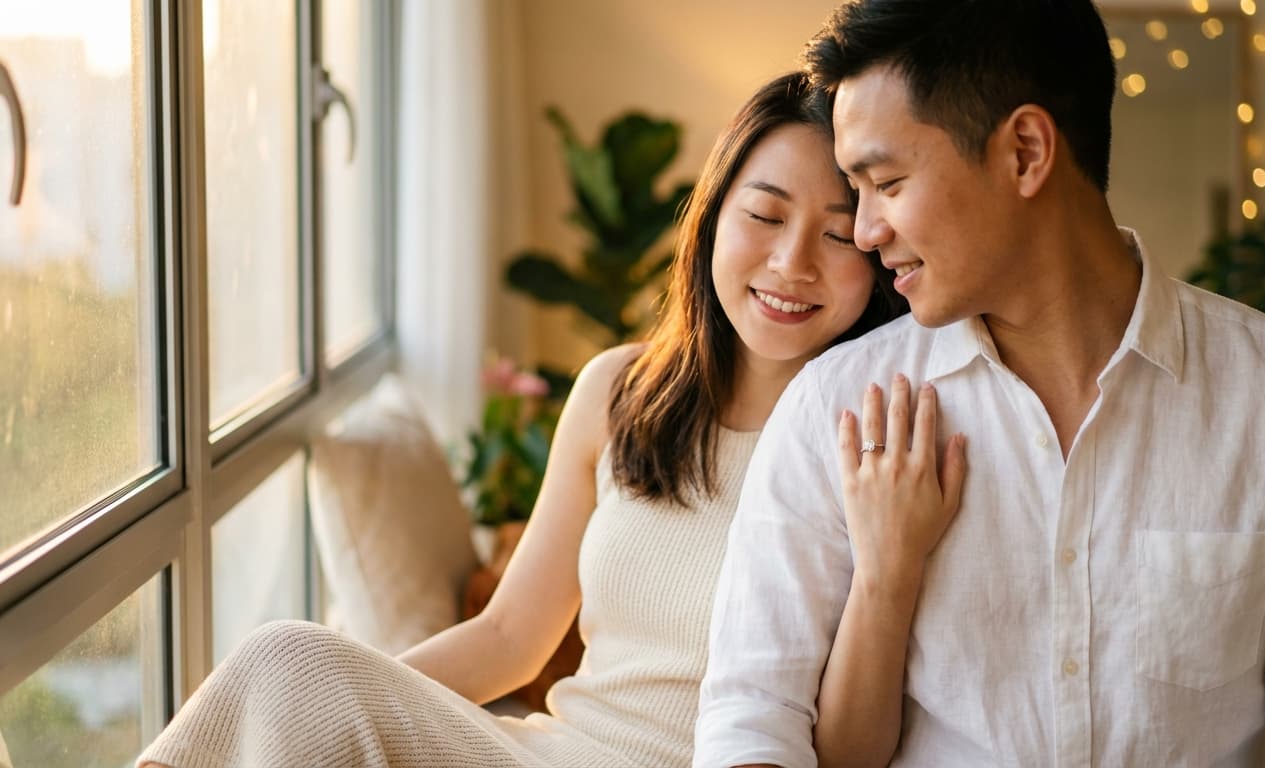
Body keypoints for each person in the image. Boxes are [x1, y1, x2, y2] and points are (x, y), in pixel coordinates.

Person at [693, 2, 1265, 767]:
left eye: (887, 182)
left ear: (1026, 152)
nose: (866, 231)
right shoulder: (832, 407)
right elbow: (754, 718)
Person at [136, 71, 912, 768]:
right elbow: (509, 638)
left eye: (837, 234)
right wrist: (345, 709)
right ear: (712, 220)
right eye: (765, 215)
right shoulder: (620, 391)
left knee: (294, 663)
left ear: (877, 254)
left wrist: (887, 570)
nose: (791, 263)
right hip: (547, 750)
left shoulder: (875, 446)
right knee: (292, 663)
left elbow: (850, 757)